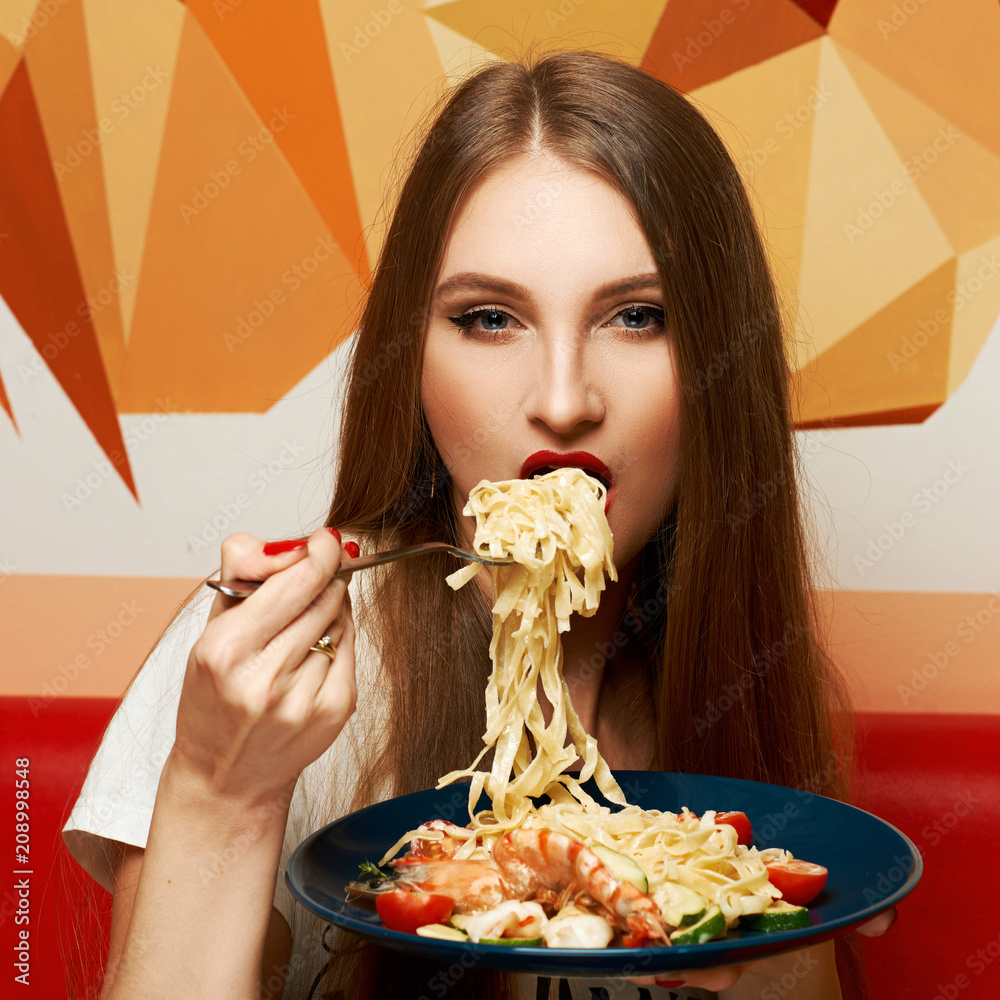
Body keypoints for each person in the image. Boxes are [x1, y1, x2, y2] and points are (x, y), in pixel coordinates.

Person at [64, 50, 891, 999]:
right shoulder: (272, 667)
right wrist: (218, 794)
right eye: (491, 318)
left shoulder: (749, 673)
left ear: (718, 368)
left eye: (639, 317)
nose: (564, 398)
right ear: (411, 357)